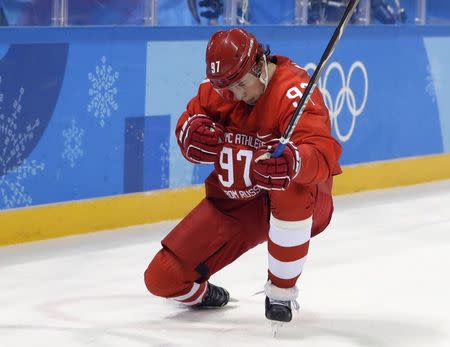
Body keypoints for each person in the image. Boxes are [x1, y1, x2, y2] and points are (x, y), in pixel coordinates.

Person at [144, 28, 342, 323]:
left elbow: (323, 153)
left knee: (288, 185)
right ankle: (207, 295)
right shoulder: (222, 87)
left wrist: (295, 162)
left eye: (241, 85)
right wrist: (190, 134)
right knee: (162, 277)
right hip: (238, 205)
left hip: (303, 203)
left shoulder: (294, 91)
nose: (236, 95)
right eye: (227, 89)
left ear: (259, 65)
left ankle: (280, 293)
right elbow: (190, 118)